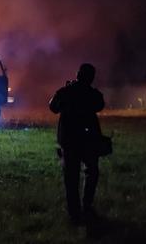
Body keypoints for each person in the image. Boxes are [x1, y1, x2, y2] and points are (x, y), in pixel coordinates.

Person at [49, 63, 105, 226]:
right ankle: (86, 206)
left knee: (71, 177)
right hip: (88, 139)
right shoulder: (93, 94)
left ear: (78, 74)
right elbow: (100, 105)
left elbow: (53, 107)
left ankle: (74, 212)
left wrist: (68, 90)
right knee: (92, 172)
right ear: (91, 77)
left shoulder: (66, 92)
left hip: (70, 140)